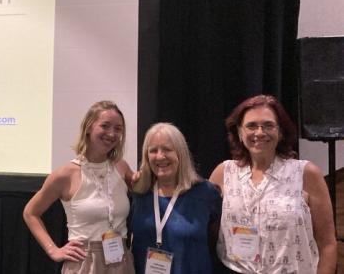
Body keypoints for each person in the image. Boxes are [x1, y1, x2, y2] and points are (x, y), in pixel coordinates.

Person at [209, 94, 336, 274]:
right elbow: (209, 232)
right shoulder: (224, 173)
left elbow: (328, 244)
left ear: (281, 132)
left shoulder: (306, 174)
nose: (259, 133)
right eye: (251, 126)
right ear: (239, 132)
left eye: (268, 125)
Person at [23, 100, 135, 273]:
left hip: (120, 260)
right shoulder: (65, 174)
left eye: (118, 128)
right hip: (85, 262)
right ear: (89, 128)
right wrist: (53, 250)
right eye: (105, 126)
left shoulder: (121, 167)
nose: (112, 134)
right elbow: (30, 213)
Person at [130, 122, 222, 274]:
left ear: (180, 153)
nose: (160, 156)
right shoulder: (140, 193)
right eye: (153, 150)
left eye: (167, 149)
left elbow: (219, 240)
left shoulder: (205, 193)